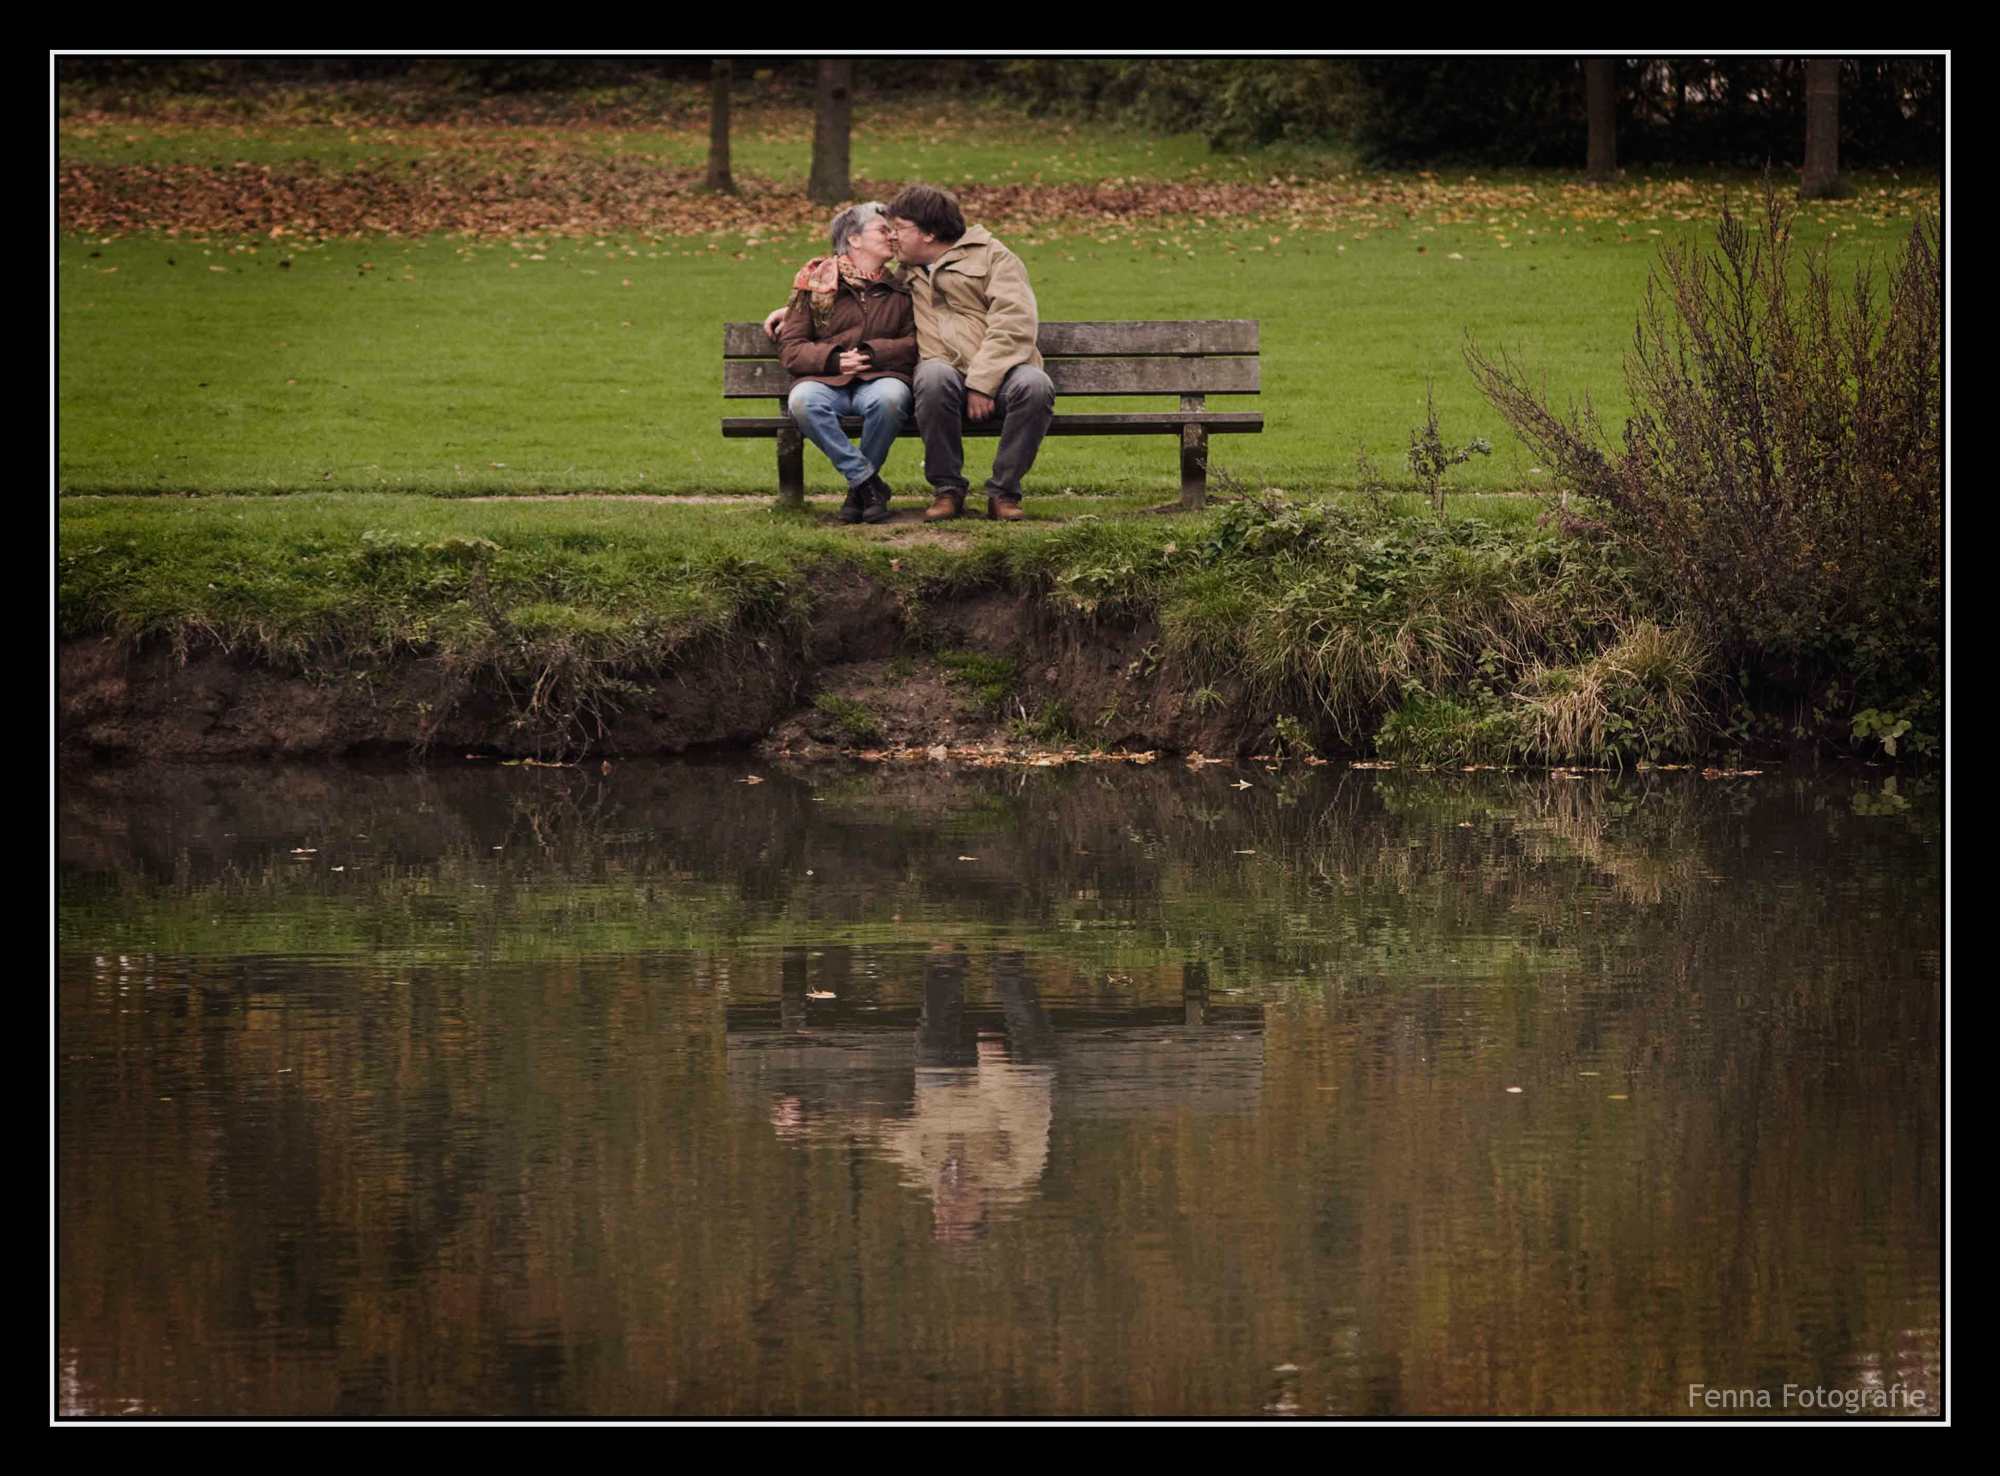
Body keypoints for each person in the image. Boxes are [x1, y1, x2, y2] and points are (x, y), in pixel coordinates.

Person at [766, 183, 1055, 523]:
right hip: (944, 373)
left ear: (929, 234)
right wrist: (792, 311)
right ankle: (947, 490)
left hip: (999, 371)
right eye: (887, 230)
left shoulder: (995, 257)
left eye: (899, 229)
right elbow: (856, 287)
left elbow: (1014, 324)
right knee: (932, 375)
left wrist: (982, 382)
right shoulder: (906, 272)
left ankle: (1004, 493)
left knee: (1035, 385)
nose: (892, 238)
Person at [774, 202, 917, 524]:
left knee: (891, 399)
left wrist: (872, 354)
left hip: (880, 378)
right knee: (802, 402)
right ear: (854, 239)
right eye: (883, 230)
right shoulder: (815, 286)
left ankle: (857, 493)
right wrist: (834, 361)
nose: (891, 236)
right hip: (826, 382)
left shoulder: (901, 289)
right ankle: (868, 483)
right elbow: (791, 348)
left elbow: (914, 344)